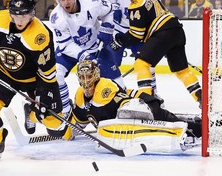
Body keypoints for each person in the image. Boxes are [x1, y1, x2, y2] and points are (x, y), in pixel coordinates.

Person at [0, 0, 68, 160]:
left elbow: (48, 74)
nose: (19, 19)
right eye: (16, 14)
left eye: (24, 14)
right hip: (4, 74)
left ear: (32, 13)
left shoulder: (40, 36)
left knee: (56, 127)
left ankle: (31, 112)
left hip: (34, 80)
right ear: (10, 12)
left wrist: (45, 99)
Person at [64, 60, 201, 153]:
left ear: (96, 76)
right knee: (163, 121)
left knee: (164, 120)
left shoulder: (105, 87)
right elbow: (78, 124)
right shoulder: (79, 97)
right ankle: (195, 125)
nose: (86, 81)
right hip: (131, 119)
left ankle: (199, 129)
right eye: (82, 77)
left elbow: (128, 108)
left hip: (143, 102)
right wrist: (64, 131)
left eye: (89, 76)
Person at [110, 0, 202, 108]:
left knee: (141, 64)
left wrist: (119, 41)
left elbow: (136, 34)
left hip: (163, 33)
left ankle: (147, 102)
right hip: (177, 31)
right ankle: (200, 96)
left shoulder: (137, 4)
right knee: (182, 70)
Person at [49, 0, 124, 119]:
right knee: (55, 74)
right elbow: (65, 45)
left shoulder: (92, 1)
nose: (66, 3)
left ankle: (122, 109)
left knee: (119, 85)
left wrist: (107, 26)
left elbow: (110, 10)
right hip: (69, 52)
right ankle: (65, 112)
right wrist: (83, 55)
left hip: (96, 47)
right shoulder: (56, 17)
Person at [105, 0, 159, 95]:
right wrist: (115, 7)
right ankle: (111, 93)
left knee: (146, 65)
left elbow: (156, 12)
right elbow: (106, 3)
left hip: (138, 33)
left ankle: (152, 93)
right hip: (119, 32)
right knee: (111, 64)